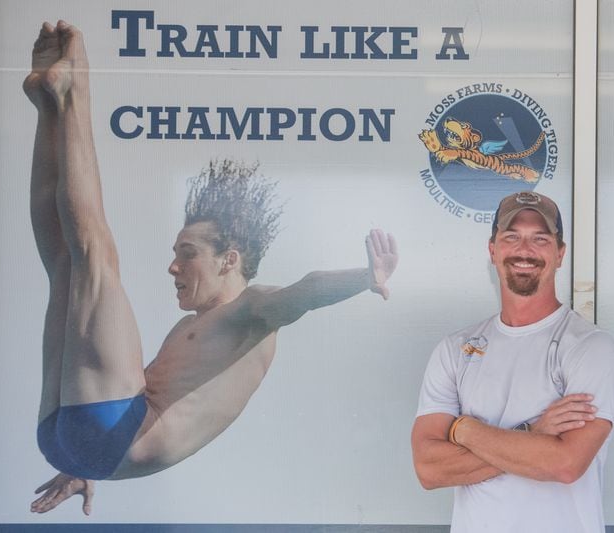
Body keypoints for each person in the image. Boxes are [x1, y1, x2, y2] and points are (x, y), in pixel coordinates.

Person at [25, 21, 398, 514]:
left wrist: (364, 278)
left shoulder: (252, 312)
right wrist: (84, 462)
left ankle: (76, 90)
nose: (173, 267)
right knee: (66, 268)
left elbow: (303, 292)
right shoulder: (194, 325)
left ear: (230, 261)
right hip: (70, 442)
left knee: (96, 257)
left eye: (187, 254)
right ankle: (49, 109)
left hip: (109, 435)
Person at [411, 191, 614, 533]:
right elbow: (429, 469)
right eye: (512, 237)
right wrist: (533, 432)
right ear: (493, 249)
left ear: (560, 254)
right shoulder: (455, 350)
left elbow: (565, 463)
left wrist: (463, 430)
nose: (525, 250)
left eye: (540, 238)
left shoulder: (590, 347)